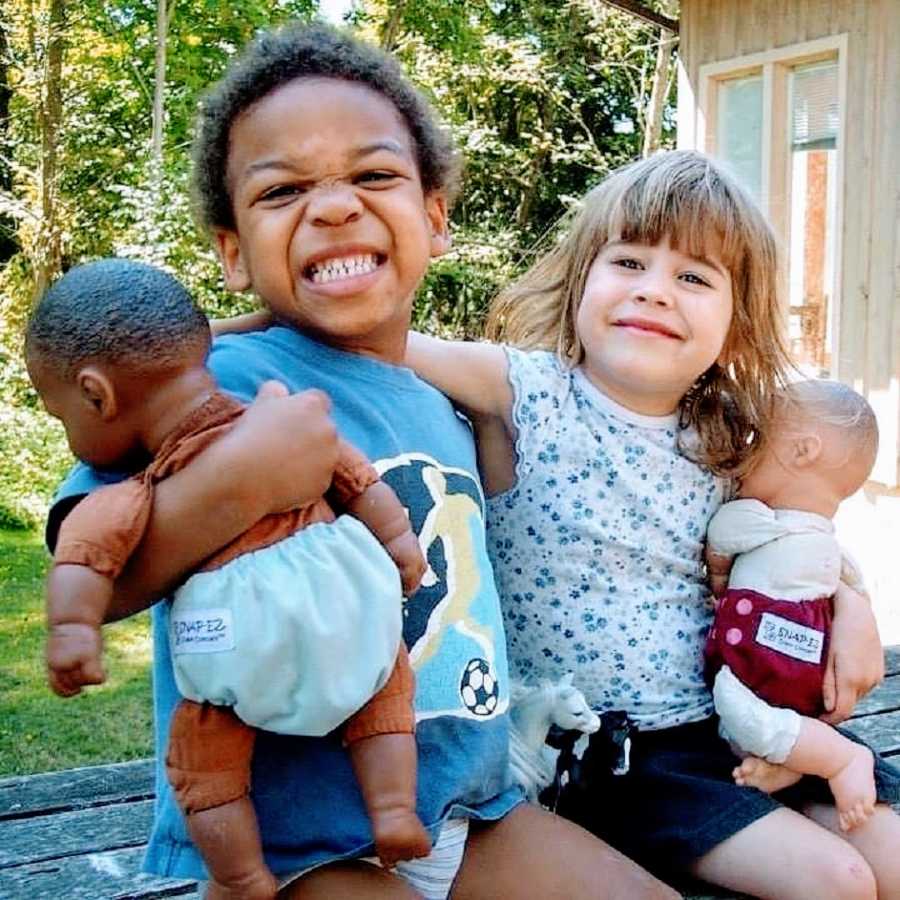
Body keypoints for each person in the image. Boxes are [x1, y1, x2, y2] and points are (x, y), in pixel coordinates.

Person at [45, 24, 677, 900]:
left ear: (435, 217)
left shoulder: (440, 401)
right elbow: (94, 568)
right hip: (291, 847)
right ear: (232, 252)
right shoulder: (217, 387)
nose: (336, 206)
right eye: (283, 190)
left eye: (375, 175)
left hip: (465, 811)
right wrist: (245, 482)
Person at [405, 150, 900, 899]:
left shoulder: (729, 430)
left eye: (693, 277)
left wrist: (853, 603)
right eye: (629, 261)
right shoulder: (523, 392)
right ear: (581, 284)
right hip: (618, 756)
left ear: (735, 328)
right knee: (837, 881)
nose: (654, 292)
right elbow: (374, 337)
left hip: (742, 718)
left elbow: (800, 526)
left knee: (891, 860)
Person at [28, 257, 432, 898]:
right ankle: (393, 809)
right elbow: (357, 478)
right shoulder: (281, 417)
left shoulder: (153, 480)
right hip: (344, 615)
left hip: (235, 648)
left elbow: (89, 548)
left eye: (60, 416)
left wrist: (74, 628)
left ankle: (241, 875)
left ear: (96, 394)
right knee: (387, 691)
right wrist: (402, 544)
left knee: (203, 759)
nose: (69, 433)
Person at [705, 379, 880, 834]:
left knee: (733, 702)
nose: (741, 456)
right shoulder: (828, 545)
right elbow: (851, 580)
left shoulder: (757, 517)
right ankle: (795, 763)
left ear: (802, 451)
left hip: (760, 658)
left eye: (754, 440)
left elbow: (724, 532)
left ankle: (843, 758)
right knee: (774, 721)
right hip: (808, 672)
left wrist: (720, 574)